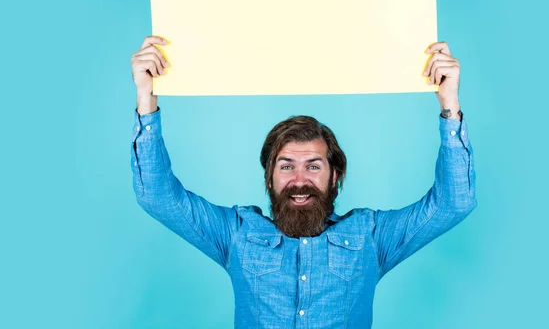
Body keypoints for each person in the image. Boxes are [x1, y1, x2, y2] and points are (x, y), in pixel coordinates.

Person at [130, 36, 477, 329]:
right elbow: (158, 197)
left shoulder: (371, 237)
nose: (299, 181)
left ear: (334, 175)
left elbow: (454, 203)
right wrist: (147, 100)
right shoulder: (236, 234)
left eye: (313, 166)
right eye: (286, 167)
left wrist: (449, 105)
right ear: (269, 177)